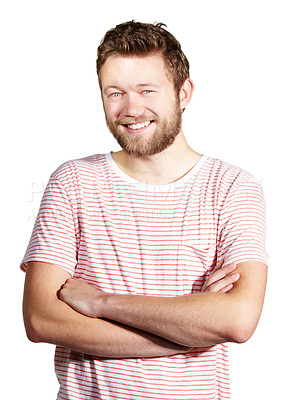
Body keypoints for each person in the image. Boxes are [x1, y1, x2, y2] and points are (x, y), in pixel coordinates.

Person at [21, 21, 268, 400]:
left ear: (183, 92)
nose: (131, 109)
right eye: (115, 92)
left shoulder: (233, 187)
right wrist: (183, 333)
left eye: (146, 90)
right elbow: (42, 319)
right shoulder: (72, 182)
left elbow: (236, 320)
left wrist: (102, 303)